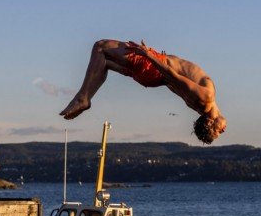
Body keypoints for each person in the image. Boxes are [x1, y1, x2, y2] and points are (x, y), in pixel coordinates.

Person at [60, 39, 227, 144]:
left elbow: (173, 75)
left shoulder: (206, 97)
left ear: (210, 122)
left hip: (152, 68)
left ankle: (83, 98)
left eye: (219, 130)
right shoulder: (199, 106)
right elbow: (173, 84)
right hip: (153, 75)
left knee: (100, 47)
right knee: (104, 62)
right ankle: (84, 98)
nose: (224, 129)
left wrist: (148, 55)